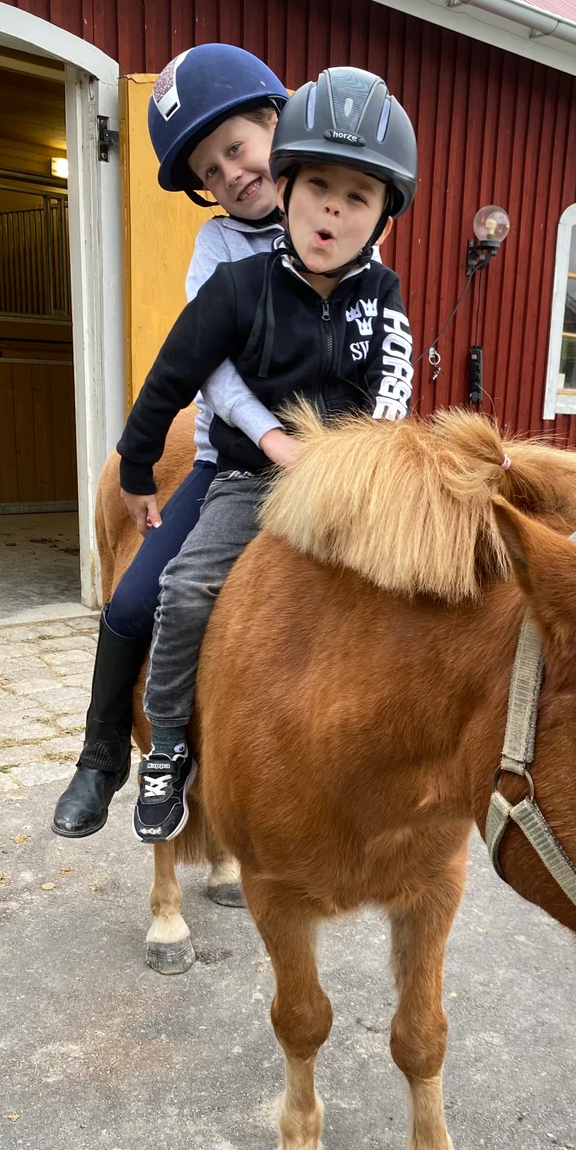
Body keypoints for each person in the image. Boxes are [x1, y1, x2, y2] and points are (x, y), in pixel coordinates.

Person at [118, 66, 417, 843]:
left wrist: (363, 464)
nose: (332, 211)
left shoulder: (381, 293)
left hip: (350, 481)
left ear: (382, 215)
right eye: (317, 188)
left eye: (357, 199)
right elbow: (174, 374)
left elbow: (393, 383)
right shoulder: (235, 282)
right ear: (289, 189)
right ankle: (167, 748)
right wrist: (135, 464)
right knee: (181, 592)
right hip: (250, 477)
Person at [52, 44, 289, 838]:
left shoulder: (339, 218)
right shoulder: (216, 250)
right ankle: (103, 758)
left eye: (235, 149)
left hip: (337, 469)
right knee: (130, 601)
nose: (230, 175)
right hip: (234, 469)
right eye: (210, 172)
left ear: (273, 123)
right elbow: (210, 371)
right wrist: (272, 436)